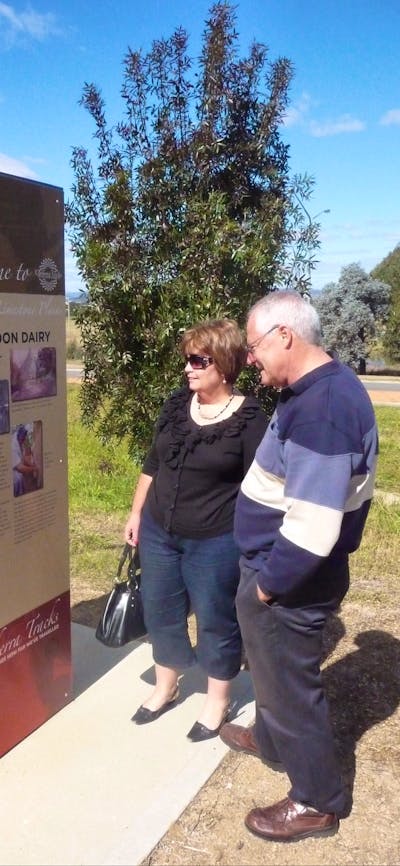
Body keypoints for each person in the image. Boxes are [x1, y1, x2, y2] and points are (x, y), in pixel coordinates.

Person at [219, 291, 378, 842]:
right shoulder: (311, 391)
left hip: (289, 577)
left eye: (255, 345)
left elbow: (313, 529)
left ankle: (316, 801)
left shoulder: (324, 409)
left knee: (291, 686)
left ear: (285, 335)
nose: (250, 358)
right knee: (271, 670)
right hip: (276, 568)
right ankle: (271, 737)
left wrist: (266, 588)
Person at [124, 318, 268, 741]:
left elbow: (260, 487)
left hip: (215, 540)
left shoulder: (250, 419)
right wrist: (136, 514)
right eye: (187, 359)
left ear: (223, 364)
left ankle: (216, 700)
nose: (187, 368)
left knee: (215, 621)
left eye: (197, 360)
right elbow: (153, 464)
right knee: (161, 612)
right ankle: (166, 687)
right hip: (158, 532)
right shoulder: (175, 405)